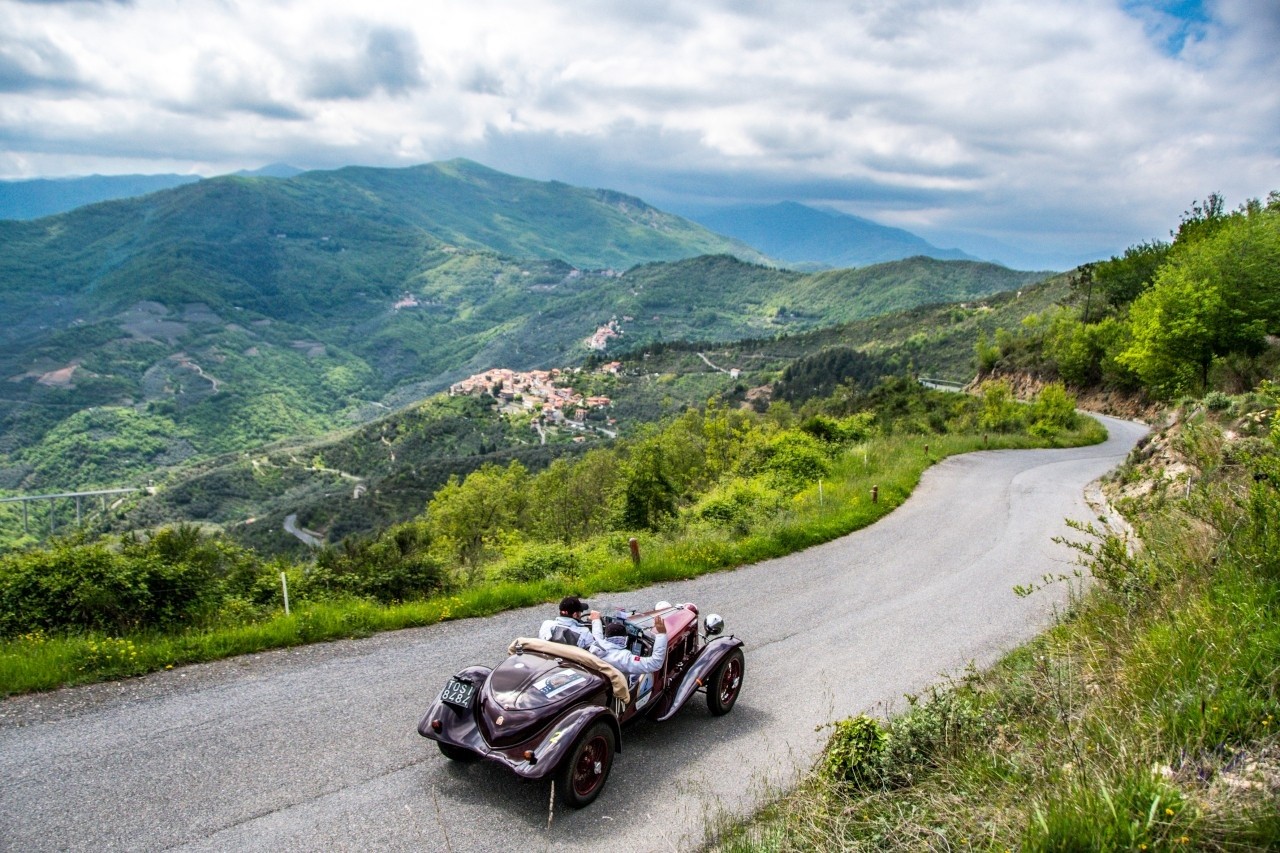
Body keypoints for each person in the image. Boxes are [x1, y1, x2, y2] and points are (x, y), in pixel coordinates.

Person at [588, 613, 667, 674]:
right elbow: (655, 664)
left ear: (606, 636)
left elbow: (597, 635)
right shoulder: (624, 658)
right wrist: (662, 634)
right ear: (624, 639)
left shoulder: (595, 645)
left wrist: (596, 620)